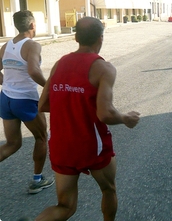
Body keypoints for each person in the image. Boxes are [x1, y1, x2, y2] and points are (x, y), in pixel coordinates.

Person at [35, 17, 141, 221]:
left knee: (65, 206)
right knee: (108, 189)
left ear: (75, 37)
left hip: (61, 144)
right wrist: (126, 118)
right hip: (91, 145)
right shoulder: (104, 68)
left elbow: (43, 105)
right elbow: (105, 114)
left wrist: (71, 104)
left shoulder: (59, 64)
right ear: (100, 38)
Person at [0, 10, 54, 194]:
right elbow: (33, 71)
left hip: (6, 99)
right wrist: (50, 88)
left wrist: (7, 83)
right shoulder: (32, 45)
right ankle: (37, 181)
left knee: (12, 144)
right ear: (32, 25)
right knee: (41, 138)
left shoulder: (6, 45)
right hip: (25, 100)